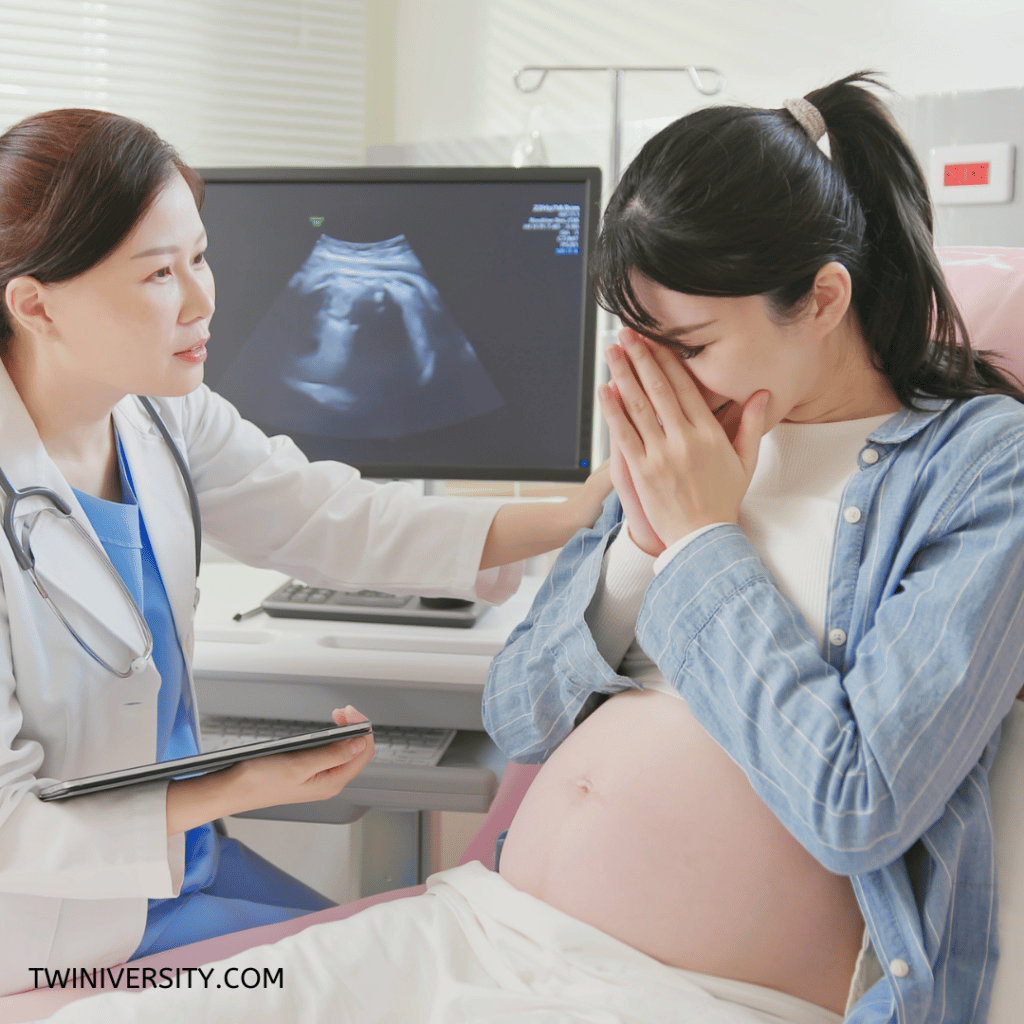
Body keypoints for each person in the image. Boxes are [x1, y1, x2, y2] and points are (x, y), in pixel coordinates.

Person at [36, 73, 1024, 1024]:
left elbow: (858, 804)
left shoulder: (975, 466)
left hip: (687, 991)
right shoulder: (687, 451)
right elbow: (521, 714)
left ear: (820, 299)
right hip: (481, 930)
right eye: (635, 339)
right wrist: (633, 551)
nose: (656, 381)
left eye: (688, 341)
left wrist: (698, 544)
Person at [0, 107, 610, 997]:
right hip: (64, 929)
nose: (205, 301)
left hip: (185, 867)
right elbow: (11, 828)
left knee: (422, 957)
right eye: (160, 274)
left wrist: (567, 518)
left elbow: (321, 515)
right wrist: (239, 782)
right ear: (34, 303)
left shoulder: (159, 414)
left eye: (200, 257)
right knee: (405, 981)